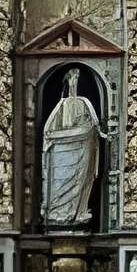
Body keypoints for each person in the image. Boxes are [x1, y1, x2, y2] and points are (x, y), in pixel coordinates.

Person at [40, 66, 103, 225]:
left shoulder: (85, 103)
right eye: (71, 78)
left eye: (76, 79)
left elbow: (93, 127)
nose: (73, 82)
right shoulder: (61, 105)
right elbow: (48, 131)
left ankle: (78, 213)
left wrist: (81, 134)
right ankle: (57, 214)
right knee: (59, 184)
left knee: (80, 183)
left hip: (82, 150)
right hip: (60, 156)